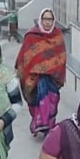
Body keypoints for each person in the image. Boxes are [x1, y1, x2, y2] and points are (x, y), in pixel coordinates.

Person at [15, 8, 67, 136]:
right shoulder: (32, 36)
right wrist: (34, 70)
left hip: (52, 79)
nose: (48, 22)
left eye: (50, 19)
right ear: (40, 20)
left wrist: (51, 69)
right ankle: (39, 123)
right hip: (34, 79)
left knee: (51, 101)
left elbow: (61, 57)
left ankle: (47, 127)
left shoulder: (57, 35)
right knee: (37, 101)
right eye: (45, 19)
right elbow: (24, 56)